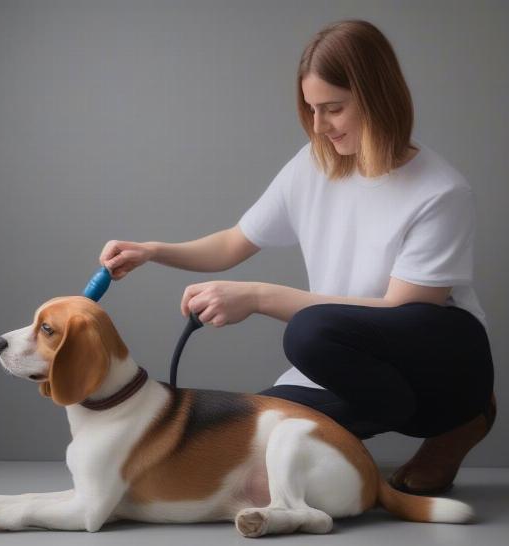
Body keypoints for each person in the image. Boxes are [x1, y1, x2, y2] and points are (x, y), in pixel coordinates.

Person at [98, 19, 495, 496]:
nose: (319, 126)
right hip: (348, 363)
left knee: (310, 330)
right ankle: (358, 427)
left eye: (334, 109)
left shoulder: (441, 191)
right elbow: (233, 243)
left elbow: (402, 310)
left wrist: (262, 296)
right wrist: (153, 251)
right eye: (311, 110)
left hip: (442, 364)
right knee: (245, 434)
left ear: (378, 97)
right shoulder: (313, 165)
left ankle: (461, 422)